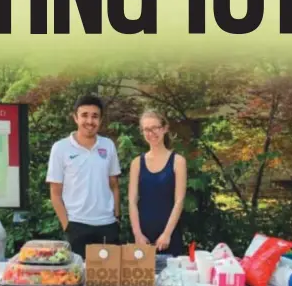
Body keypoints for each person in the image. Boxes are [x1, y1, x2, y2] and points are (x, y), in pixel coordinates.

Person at [46, 94, 121, 258]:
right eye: (84, 115)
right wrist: (67, 226)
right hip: (77, 226)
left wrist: (116, 217)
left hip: (107, 225)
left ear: (100, 120)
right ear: (75, 117)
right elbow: (55, 192)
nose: (90, 121)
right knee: (77, 279)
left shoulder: (108, 145)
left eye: (95, 116)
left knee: (110, 279)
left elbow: (114, 184)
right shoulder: (60, 148)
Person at [128, 110, 187, 256]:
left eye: (155, 127)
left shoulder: (178, 161)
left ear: (165, 128)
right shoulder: (136, 163)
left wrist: (167, 234)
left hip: (170, 234)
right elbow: (132, 201)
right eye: (146, 129)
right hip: (143, 236)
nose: (151, 133)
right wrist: (137, 234)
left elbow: (179, 201)